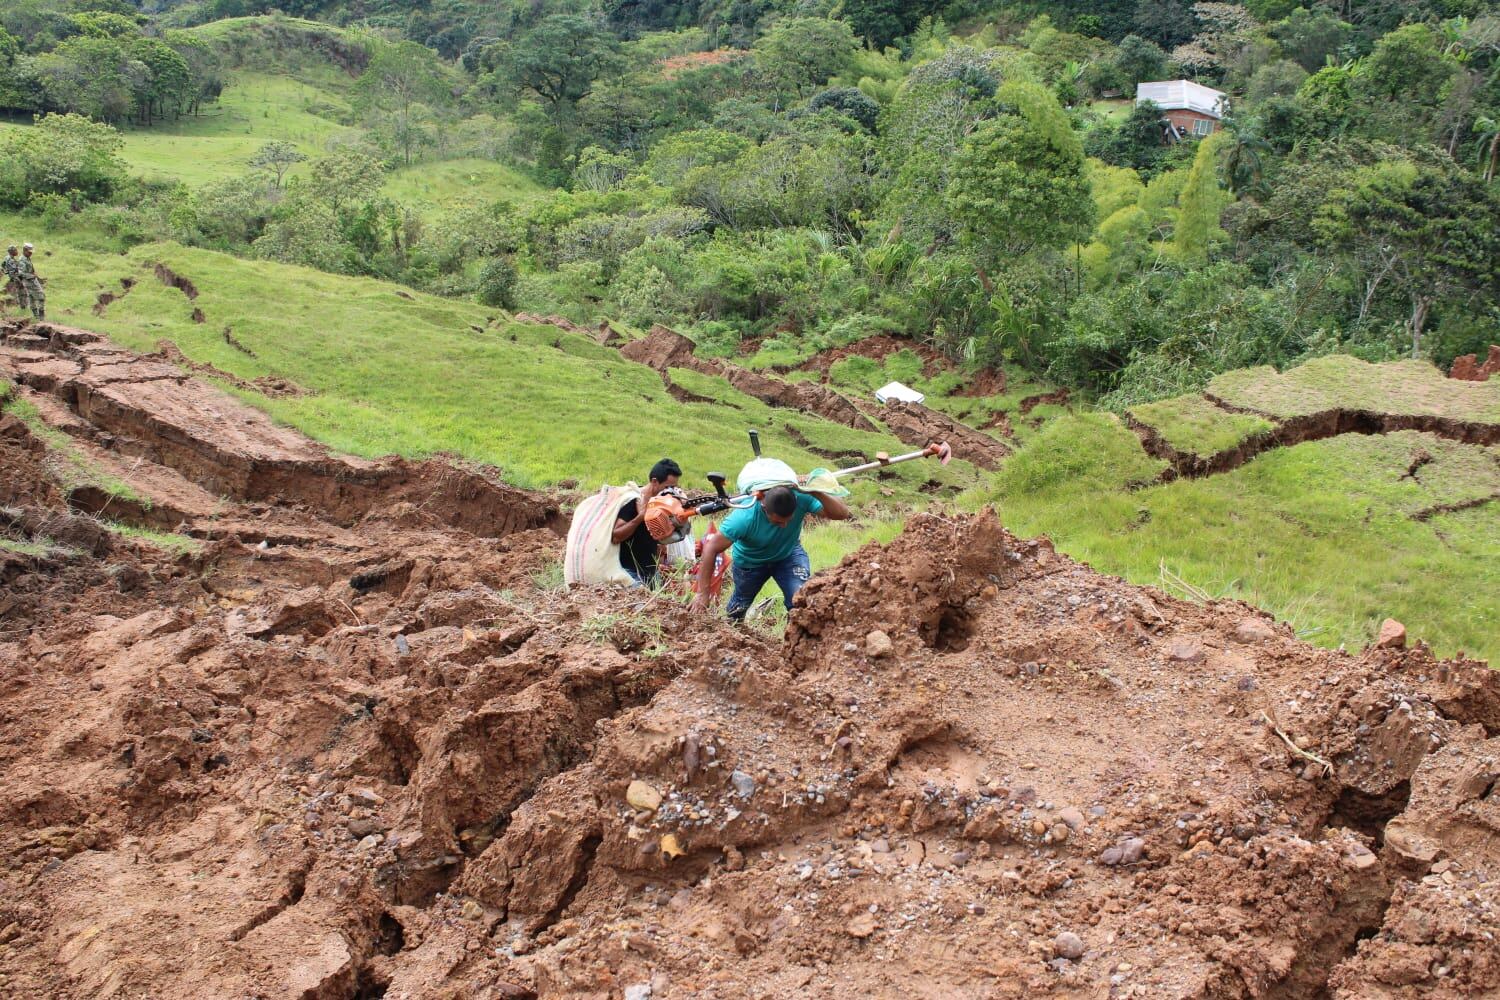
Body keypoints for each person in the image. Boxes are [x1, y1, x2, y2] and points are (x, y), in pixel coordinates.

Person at [692, 483, 849, 620]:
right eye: (778, 522)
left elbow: (842, 514)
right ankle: (732, 632)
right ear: (764, 507)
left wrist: (816, 492)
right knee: (738, 609)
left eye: (789, 520)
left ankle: (794, 640)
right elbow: (711, 548)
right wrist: (702, 593)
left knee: (800, 601)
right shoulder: (743, 518)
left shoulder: (801, 498)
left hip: (788, 554)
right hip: (750, 563)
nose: (784, 526)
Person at [612, 458, 682, 586]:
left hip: (651, 573)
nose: (670, 492)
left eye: (674, 488)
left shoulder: (662, 503)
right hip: (629, 573)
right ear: (654, 482)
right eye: (667, 487)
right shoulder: (633, 501)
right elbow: (616, 536)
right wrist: (640, 518)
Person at [17, 243, 43, 320]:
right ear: (24, 250)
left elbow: (29, 269)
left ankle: (37, 317)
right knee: (41, 296)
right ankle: (41, 316)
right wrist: (32, 276)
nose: (31, 253)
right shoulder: (22, 260)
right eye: (29, 252)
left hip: (31, 280)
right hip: (29, 281)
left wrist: (35, 276)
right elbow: (21, 273)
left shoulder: (27, 258)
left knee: (32, 298)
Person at [2, 245, 24, 313]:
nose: (17, 251)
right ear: (12, 251)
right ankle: (18, 305)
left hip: (12, 277)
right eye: (15, 250)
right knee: (18, 292)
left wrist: (5, 271)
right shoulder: (11, 260)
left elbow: (3, 265)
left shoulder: (7, 257)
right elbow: (14, 271)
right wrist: (19, 280)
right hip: (15, 278)